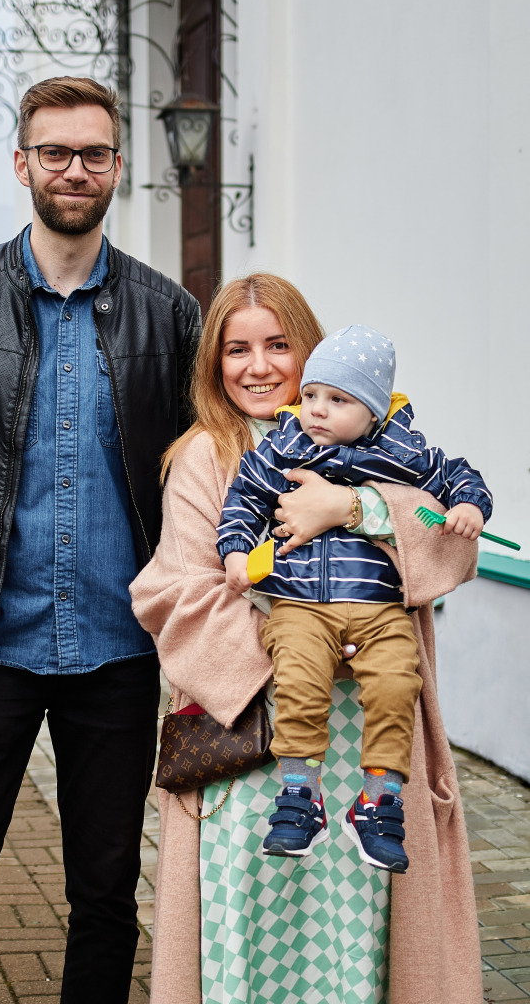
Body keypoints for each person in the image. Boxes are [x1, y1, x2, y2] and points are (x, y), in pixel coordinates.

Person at [0, 75, 201, 1004]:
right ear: (22, 163)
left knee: (104, 894)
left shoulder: (167, 311)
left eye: (93, 153)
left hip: (117, 648)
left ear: (116, 168)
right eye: (53, 152)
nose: (74, 169)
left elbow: (191, 466)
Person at [130, 276, 483, 1004]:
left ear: (311, 356)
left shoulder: (382, 442)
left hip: (367, 740)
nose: (256, 366)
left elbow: (449, 549)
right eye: (236, 349)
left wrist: (351, 507)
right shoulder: (206, 456)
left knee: (357, 936)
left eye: (276, 345)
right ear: (214, 363)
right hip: (254, 732)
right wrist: (302, 647)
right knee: (247, 932)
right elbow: (177, 591)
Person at [217, 323, 492, 871]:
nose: (317, 409)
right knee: (296, 676)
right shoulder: (284, 444)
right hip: (299, 602)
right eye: (312, 394)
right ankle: (301, 794)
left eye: (338, 400)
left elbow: (458, 474)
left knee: (396, 681)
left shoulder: (402, 452)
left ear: (373, 411)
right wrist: (234, 554)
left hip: (377, 607)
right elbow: (244, 498)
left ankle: (378, 801)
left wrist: (469, 507)